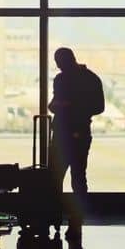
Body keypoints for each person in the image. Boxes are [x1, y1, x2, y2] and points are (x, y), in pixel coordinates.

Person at [49, 46, 104, 209]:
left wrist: (66, 106)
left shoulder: (62, 79)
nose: (58, 66)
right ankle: (78, 215)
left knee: (57, 176)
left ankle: (55, 212)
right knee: (78, 176)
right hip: (79, 132)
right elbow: (98, 107)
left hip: (62, 132)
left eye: (59, 62)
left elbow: (54, 105)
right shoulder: (91, 79)